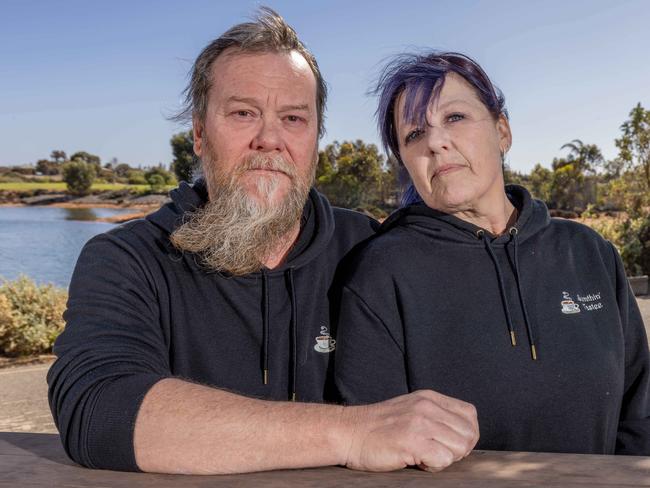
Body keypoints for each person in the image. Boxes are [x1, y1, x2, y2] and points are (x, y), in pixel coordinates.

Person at [47, 10, 478, 475]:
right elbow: (98, 412)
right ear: (198, 133)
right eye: (243, 113)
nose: (269, 139)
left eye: (293, 118)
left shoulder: (372, 250)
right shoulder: (127, 259)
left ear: (315, 139)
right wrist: (355, 432)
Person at [335, 51, 650, 456]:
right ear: (406, 163)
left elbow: (640, 414)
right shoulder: (379, 274)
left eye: (455, 118)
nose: (435, 141)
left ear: (502, 131)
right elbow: (375, 447)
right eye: (414, 134)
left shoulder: (589, 252)